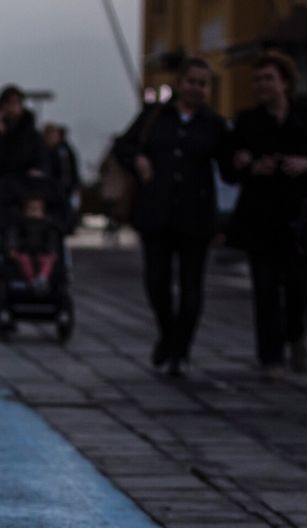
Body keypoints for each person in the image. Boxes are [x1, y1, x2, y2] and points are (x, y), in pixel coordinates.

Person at [112, 57, 235, 377]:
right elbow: (122, 147)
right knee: (156, 283)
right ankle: (168, 333)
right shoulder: (154, 117)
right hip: (157, 212)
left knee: (192, 286)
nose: (196, 88)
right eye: (191, 81)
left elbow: (230, 170)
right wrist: (138, 160)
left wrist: (244, 159)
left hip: (196, 216)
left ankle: (181, 350)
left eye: (203, 83)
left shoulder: (215, 125)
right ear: (180, 83)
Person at [229, 51, 307, 380]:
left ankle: (295, 334)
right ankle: (270, 356)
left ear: (285, 82)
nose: (261, 85)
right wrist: (250, 164)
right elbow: (232, 165)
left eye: (268, 79)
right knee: (265, 287)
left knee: (298, 286)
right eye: (257, 80)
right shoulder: (247, 121)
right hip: (260, 217)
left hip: (298, 216)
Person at [0, 86, 48, 271]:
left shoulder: (30, 132)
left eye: (16, 104)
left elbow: (39, 156)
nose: (13, 108)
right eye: (9, 104)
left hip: (24, 185)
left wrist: (37, 171)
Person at [44, 124, 82, 234]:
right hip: (51, 190)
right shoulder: (45, 151)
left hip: (65, 189)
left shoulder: (65, 151)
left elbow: (72, 170)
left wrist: (75, 186)